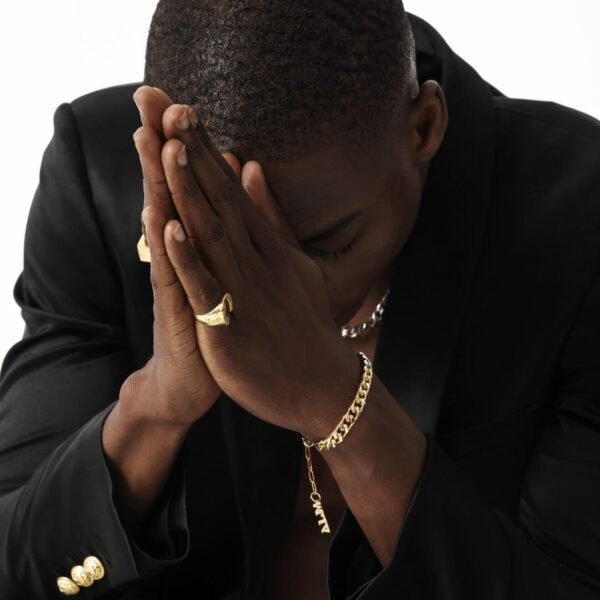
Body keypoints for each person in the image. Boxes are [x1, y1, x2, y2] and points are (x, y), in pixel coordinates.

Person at [1, 2, 600, 599]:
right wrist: (158, 403)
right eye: (231, 242)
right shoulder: (99, 185)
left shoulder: (577, 219)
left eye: (327, 243)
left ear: (423, 127)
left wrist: (332, 398)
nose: (280, 293)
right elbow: (15, 565)